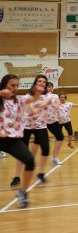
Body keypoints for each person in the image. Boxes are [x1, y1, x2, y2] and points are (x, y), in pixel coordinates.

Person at [0, 74, 49, 208]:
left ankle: (23, 192)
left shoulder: (19, 100)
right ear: (4, 85)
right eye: (12, 85)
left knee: (29, 161)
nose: (15, 88)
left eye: (17, 85)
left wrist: (37, 92)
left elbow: (32, 98)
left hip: (13, 140)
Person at [12, 75, 56, 186]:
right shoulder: (28, 96)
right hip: (26, 125)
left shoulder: (48, 96)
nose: (42, 83)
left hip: (40, 125)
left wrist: (54, 102)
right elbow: (32, 110)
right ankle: (17, 176)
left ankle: (40, 173)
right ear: (35, 83)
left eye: (44, 82)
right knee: (22, 152)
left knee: (46, 149)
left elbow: (56, 104)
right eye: (39, 81)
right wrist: (45, 103)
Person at [44, 82, 66, 165]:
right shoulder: (41, 96)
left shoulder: (55, 96)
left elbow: (57, 105)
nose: (49, 88)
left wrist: (51, 102)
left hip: (53, 121)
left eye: (51, 87)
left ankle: (55, 157)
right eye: (48, 87)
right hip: (42, 122)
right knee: (40, 141)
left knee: (60, 137)